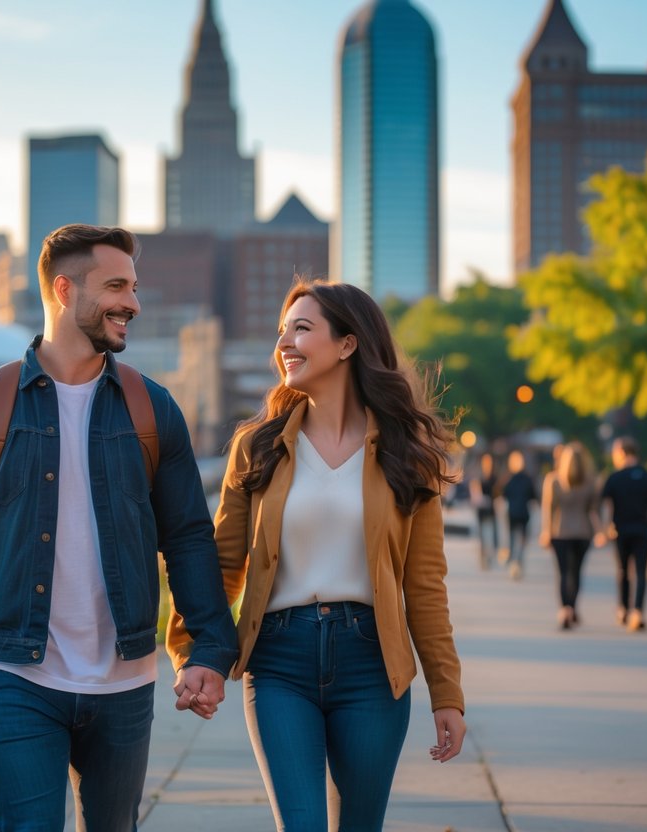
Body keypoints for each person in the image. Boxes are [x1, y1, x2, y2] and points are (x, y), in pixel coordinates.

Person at [0, 224, 238, 831]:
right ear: (64, 290)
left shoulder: (153, 409)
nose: (133, 304)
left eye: (134, 288)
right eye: (116, 286)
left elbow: (189, 537)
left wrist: (210, 649)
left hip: (126, 680)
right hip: (17, 678)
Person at [168, 280, 466, 830]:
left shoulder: (407, 455)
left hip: (373, 664)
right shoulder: (258, 447)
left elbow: (425, 585)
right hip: (279, 661)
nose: (285, 342)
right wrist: (195, 653)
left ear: (348, 344)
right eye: (283, 330)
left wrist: (447, 693)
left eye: (302, 328)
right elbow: (220, 566)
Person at [600, 436, 647, 632]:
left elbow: (607, 507)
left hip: (620, 531)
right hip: (642, 529)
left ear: (622, 453)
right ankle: (638, 611)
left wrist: (607, 527)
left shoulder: (614, 478)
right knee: (641, 572)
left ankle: (623, 609)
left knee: (623, 570)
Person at [538, 442, 602, 630]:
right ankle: (573, 607)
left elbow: (548, 508)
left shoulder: (553, 480)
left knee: (563, 572)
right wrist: (600, 531)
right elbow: (594, 509)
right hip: (583, 532)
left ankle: (565, 609)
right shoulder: (591, 481)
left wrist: (546, 531)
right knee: (576, 572)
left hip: (560, 531)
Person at [498, 450, 537, 581]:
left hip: (512, 513)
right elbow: (534, 497)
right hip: (523, 513)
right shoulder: (527, 479)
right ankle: (517, 562)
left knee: (513, 539)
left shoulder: (508, 478)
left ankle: (514, 561)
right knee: (520, 540)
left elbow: (502, 495)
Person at [469, 452, 499, 569]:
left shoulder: (495, 477)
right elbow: (474, 494)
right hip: (481, 510)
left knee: (492, 535)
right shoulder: (478, 476)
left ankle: (491, 555)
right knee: (482, 537)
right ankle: (483, 559)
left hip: (492, 510)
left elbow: (498, 493)